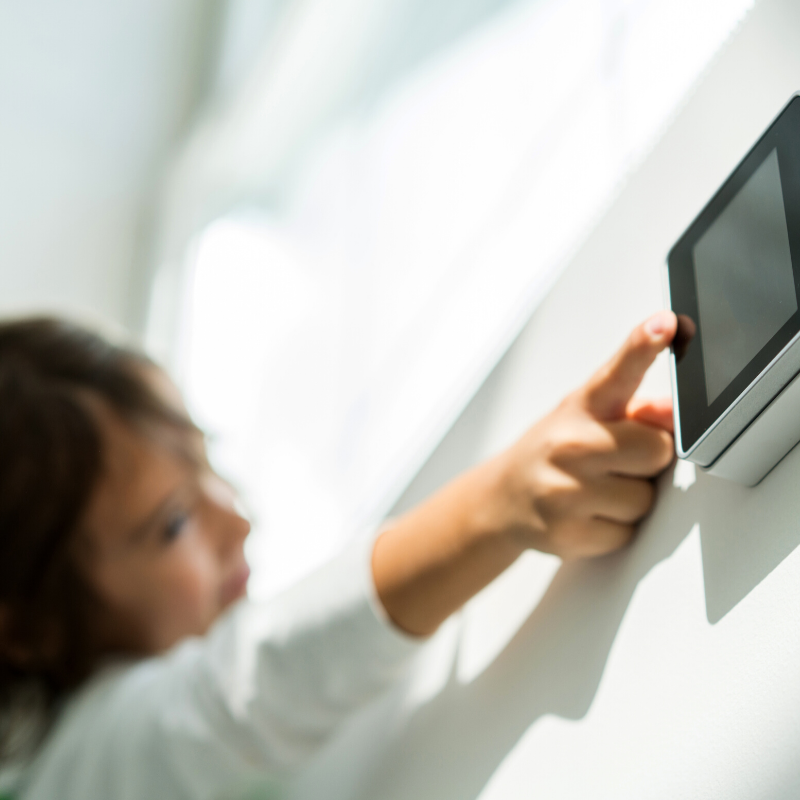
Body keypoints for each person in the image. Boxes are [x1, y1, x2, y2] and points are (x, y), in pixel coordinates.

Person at [0, 310, 677, 800]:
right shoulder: (74, 774)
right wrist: (499, 508)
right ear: (30, 627)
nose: (236, 519)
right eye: (173, 524)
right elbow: (243, 688)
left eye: (211, 467)